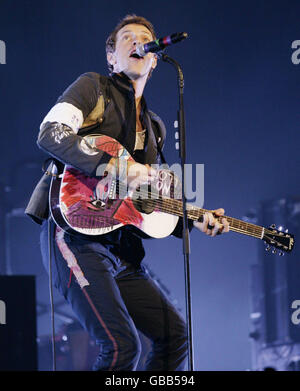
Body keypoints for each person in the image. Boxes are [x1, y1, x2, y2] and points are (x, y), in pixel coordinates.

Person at [25, 14, 229, 371]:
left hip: (121, 248)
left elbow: (144, 204)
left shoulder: (155, 129)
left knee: (175, 336)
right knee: (121, 346)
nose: (138, 42)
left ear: (154, 59)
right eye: (127, 38)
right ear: (112, 58)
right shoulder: (94, 88)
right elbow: (50, 133)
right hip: (73, 235)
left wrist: (193, 221)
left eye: (145, 38)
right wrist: (120, 167)